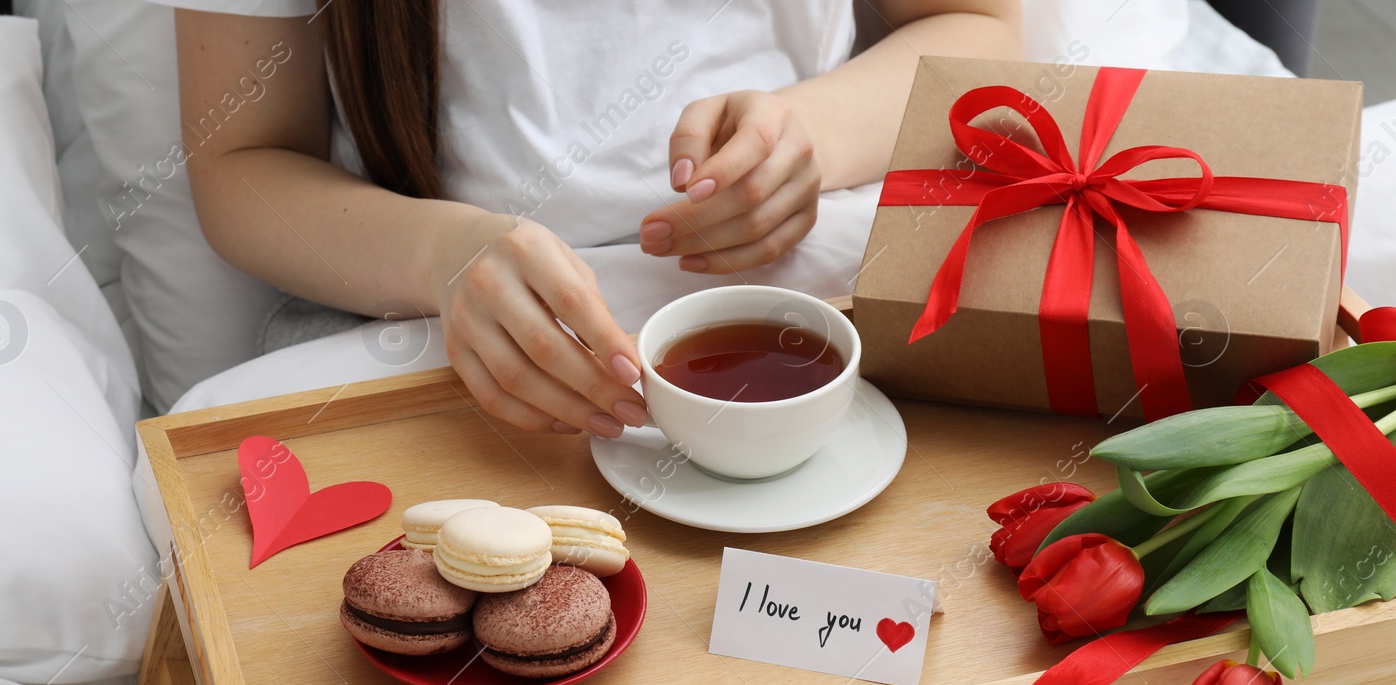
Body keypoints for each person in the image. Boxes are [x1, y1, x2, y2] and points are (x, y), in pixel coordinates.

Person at [166, 0, 1022, 435]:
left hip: (815, 293)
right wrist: (444, 255)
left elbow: (980, 30)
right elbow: (241, 164)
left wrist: (809, 140)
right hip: (457, 344)